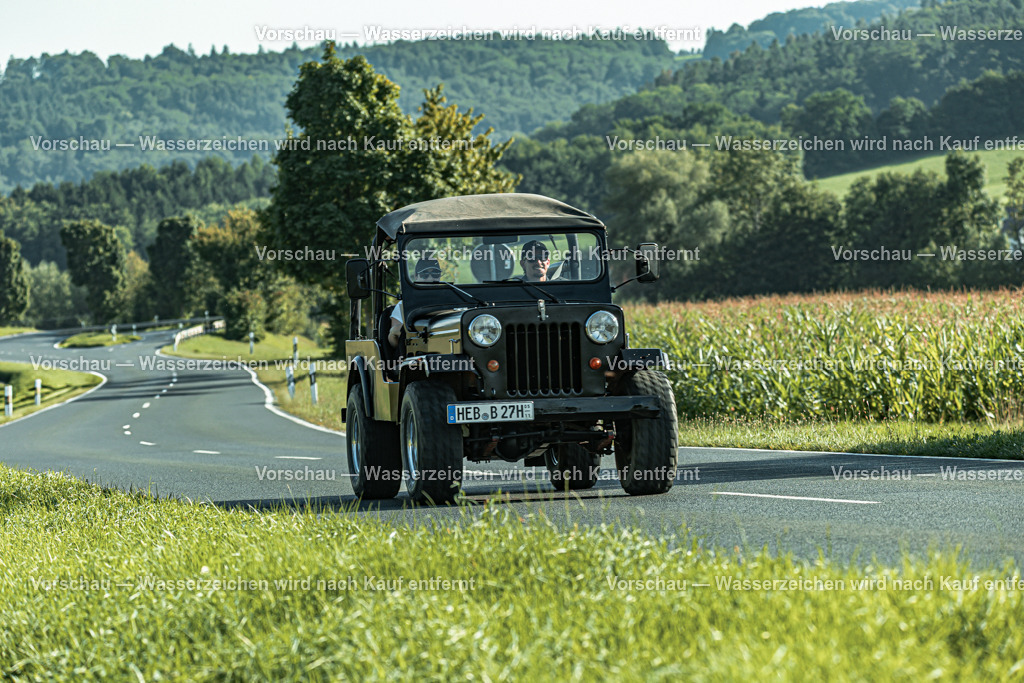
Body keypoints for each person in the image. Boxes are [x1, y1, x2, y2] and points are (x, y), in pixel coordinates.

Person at [388, 257, 441, 349]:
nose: (430, 278)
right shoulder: (403, 306)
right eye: (425, 274)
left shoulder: (450, 303)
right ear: (416, 276)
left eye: (435, 274)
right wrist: (396, 331)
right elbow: (394, 344)